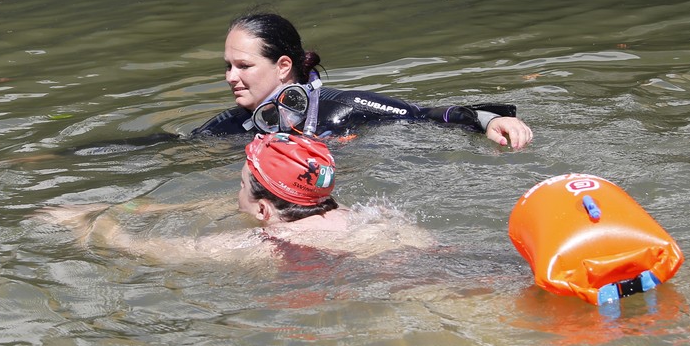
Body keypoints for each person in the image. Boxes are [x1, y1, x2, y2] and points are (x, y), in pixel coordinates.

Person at [40, 133, 434, 263]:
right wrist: (139, 206)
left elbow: (131, 245)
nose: (235, 193)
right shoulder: (370, 214)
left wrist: (90, 221)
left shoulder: (264, 244)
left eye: (241, 185)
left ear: (263, 209)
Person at [193, 12, 534, 149]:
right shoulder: (228, 126)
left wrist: (490, 120)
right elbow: (176, 149)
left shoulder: (342, 108)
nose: (230, 77)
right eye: (228, 66)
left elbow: (423, 115)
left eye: (243, 66)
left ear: (283, 66)